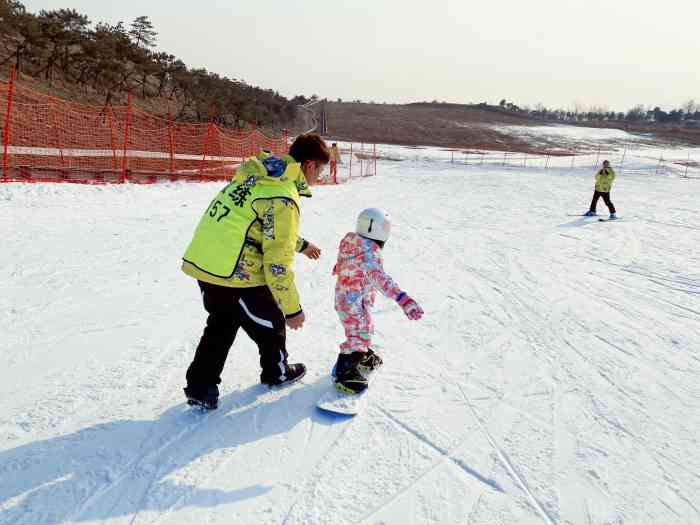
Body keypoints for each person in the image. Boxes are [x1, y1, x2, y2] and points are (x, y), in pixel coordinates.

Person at [180, 133, 330, 409]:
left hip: (207, 261)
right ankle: (277, 372)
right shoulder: (284, 196)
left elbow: (254, 223)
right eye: (321, 169)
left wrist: (302, 244)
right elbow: (277, 263)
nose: (320, 176)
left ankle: (201, 386)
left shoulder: (264, 175)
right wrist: (292, 309)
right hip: (235, 273)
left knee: (223, 321)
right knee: (273, 322)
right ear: (309, 165)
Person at [331, 208, 424, 394]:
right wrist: (403, 299)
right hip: (352, 302)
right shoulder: (369, 254)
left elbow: (345, 260)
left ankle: (362, 355)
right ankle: (344, 371)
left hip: (353, 298)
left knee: (365, 327)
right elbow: (381, 279)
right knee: (358, 334)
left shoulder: (352, 241)